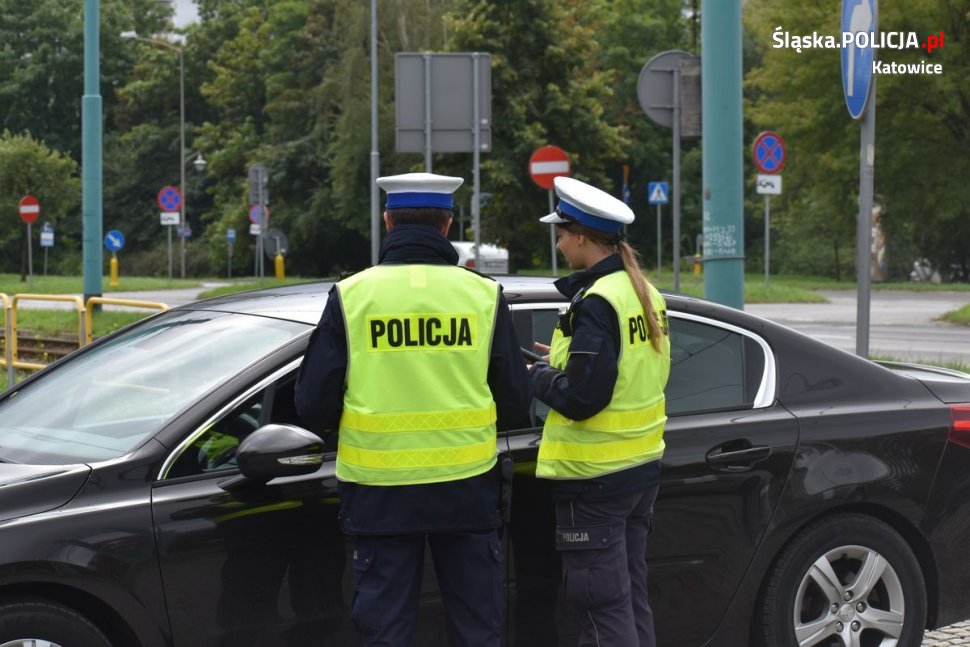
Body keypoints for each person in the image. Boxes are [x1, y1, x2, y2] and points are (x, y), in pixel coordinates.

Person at [294, 172, 532, 647]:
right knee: (477, 631)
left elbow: (311, 404)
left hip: (380, 498)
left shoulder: (352, 296)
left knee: (387, 634)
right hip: (467, 493)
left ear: (387, 221)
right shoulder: (483, 297)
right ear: (447, 225)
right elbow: (516, 402)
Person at [528, 176, 670, 647]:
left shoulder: (596, 303)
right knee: (627, 599)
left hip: (596, 479)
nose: (560, 241)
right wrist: (562, 364)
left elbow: (586, 399)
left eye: (563, 233)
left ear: (584, 237)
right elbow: (626, 371)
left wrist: (537, 376)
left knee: (599, 608)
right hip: (638, 470)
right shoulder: (643, 292)